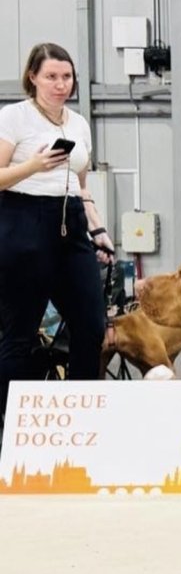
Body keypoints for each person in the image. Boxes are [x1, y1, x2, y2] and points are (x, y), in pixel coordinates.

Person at [0, 43, 114, 423]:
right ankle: (10, 429)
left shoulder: (78, 123)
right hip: (23, 221)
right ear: (33, 77)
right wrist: (33, 166)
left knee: (91, 326)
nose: (60, 84)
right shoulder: (14, 117)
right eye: (51, 76)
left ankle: (80, 422)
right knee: (21, 333)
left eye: (66, 77)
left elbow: (81, 184)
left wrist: (97, 227)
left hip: (71, 222)